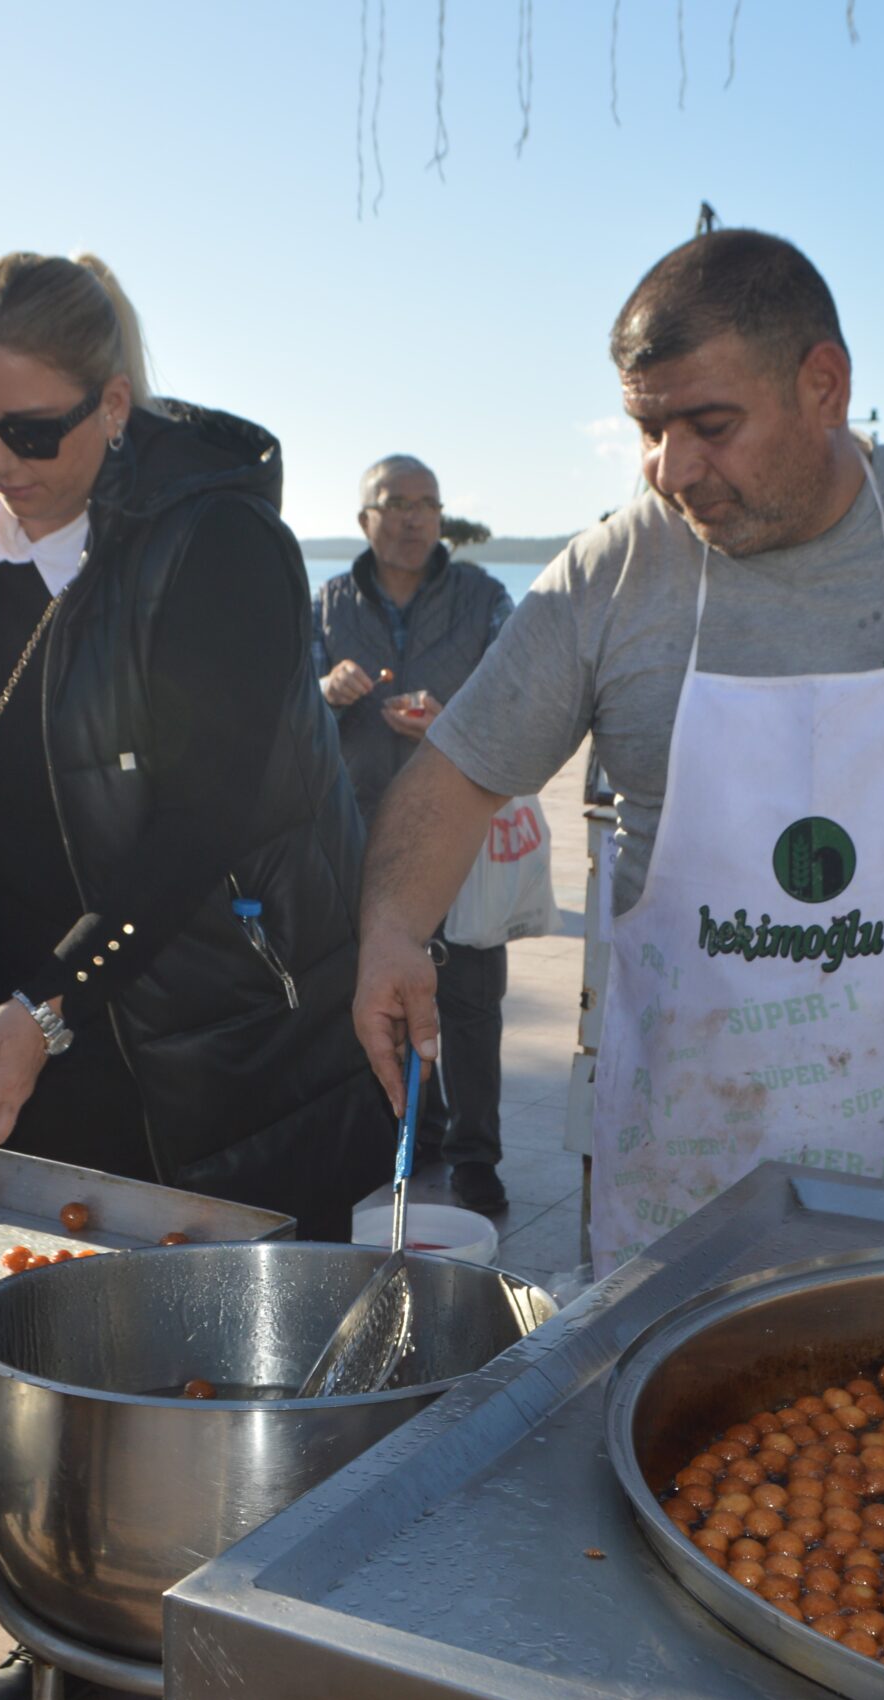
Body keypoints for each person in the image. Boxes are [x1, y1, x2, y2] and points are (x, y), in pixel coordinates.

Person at [351, 229, 884, 1276]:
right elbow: (460, 769)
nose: (672, 471)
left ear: (824, 385)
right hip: (680, 1207)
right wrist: (391, 928)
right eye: (648, 431)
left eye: (709, 425)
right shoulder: (612, 574)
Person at [0, 252, 385, 1239]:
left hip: (198, 1054)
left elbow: (202, 818)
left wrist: (50, 999)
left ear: (115, 404)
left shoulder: (219, 545)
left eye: (34, 432)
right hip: (4, 1034)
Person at [314, 454, 516, 1214]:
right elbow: (285, 705)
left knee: (471, 1002)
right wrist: (325, 691)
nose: (412, 517)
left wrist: (452, 712)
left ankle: (477, 1157)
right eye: (394, 502)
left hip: (459, 835)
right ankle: (408, 1136)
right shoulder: (328, 604)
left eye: (426, 503)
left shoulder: (484, 596)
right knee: (382, 994)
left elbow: (520, 690)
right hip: (358, 838)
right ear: (364, 518)